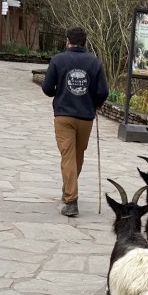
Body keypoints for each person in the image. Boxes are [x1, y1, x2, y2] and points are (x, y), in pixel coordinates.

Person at [41, 26, 109, 217]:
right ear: (85, 42)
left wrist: (59, 91)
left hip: (63, 115)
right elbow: (103, 91)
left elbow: (47, 88)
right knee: (77, 156)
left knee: (68, 156)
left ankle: (71, 200)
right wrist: (96, 103)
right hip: (86, 116)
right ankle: (69, 190)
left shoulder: (58, 60)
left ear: (67, 41)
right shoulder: (94, 62)